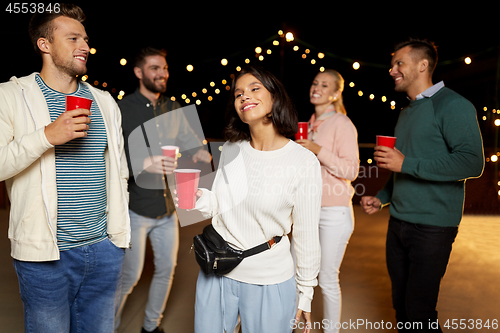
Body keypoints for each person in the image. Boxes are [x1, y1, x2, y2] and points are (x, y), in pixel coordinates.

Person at [0, 4, 130, 332]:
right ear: (45, 44)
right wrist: (46, 136)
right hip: (45, 256)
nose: (84, 47)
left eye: (85, 39)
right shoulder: (10, 97)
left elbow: (119, 172)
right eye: (72, 38)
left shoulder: (104, 102)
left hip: (104, 250)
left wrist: (117, 241)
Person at [361, 38, 484, 332]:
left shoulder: (453, 105)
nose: (392, 70)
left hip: (432, 228)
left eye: (399, 63)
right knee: (401, 306)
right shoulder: (406, 112)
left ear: (423, 65)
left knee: (419, 311)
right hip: (398, 223)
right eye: (393, 64)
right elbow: (401, 166)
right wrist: (382, 196)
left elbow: (471, 163)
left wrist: (406, 164)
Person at [188, 66, 322, 333]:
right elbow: (220, 204)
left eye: (254, 88)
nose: (244, 96)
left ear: (275, 98)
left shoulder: (303, 161)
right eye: (238, 93)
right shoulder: (231, 149)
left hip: (269, 279)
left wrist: (305, 292)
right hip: (216, 272)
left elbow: (306, 234)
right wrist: (197, 197)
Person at [115, 47, 211, 333]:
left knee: (166, 271)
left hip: (169, 208)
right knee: (130, 276)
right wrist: (142, 163)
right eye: (155, 68)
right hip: (136, 208)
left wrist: (204, 153)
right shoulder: (121, 109)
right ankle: (107, 326)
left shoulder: (174, 108)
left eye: (165, 68)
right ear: (139, 72)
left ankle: (151, 326)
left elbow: (195, 145)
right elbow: (110, 156)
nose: (162, 73)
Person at [296, 69, 359, 333]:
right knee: (296, 272)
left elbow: (351, 171)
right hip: (306, 210)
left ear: (335, 94)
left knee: (327, 279)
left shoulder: (342, 124)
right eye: (314, 83)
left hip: (334, 211)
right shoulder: (308, 124)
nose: (316, 87)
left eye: (324, 85)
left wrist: (318, 150)